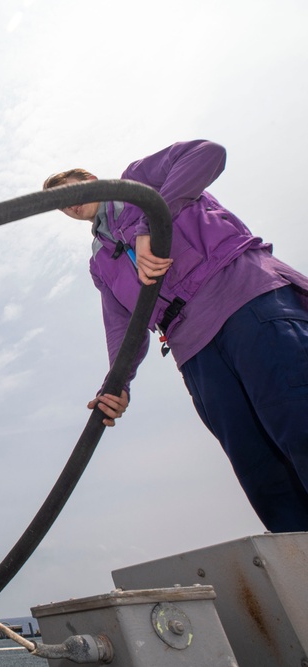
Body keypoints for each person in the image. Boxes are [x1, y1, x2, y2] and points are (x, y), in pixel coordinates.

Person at [44, 139, 308, 533]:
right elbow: (121, 326)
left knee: (298, 420)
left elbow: (208, 152)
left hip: (244, 299)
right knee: (260, 470)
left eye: (68, 192)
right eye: (59, 206)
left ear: (91, 180)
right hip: (195, 349)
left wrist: (152, 222)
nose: (68, 205)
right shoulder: (101, 261)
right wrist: (117, 385)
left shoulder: (141, 182)